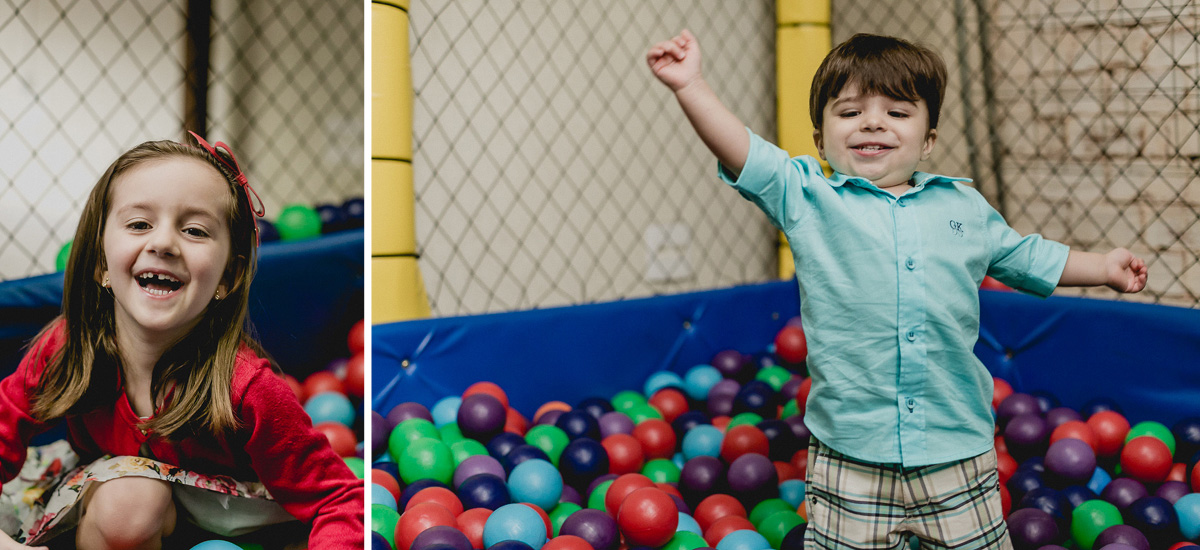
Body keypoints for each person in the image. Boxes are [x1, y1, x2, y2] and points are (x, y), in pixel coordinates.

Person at [648, 30, 1147, 549]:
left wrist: (1103, 266)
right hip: (851, 454)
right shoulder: (810, 199)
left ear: (928, 138)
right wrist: (691, 86)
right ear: (820, 138)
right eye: (849, 112)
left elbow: (1026, 256)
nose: (872, 122)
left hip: (956, 449)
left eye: (897, 112)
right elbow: (746, 154)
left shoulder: (963, 208)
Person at [0, 134, 363, 549]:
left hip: (231, 521)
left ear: (227, 276)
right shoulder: (67, 348)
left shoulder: (249, 389)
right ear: (101, 259)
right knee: (129, 502)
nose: (163, 243)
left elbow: (338, 498)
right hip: (125, 504)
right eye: (139, 224)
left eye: (194, 230)